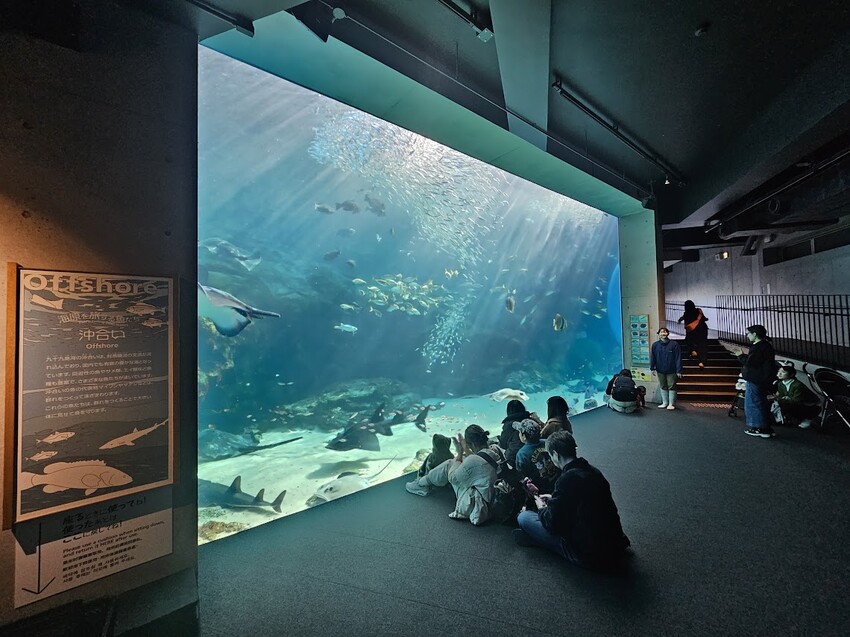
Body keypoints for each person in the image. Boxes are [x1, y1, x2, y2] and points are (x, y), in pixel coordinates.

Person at [513, 431, 630, 570]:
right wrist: (553, 499)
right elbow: (583, 501)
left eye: (550, 455)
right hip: (614, 542)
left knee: (524, 517)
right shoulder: (593, 471)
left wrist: (542, 508)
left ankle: (537, 539)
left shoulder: (566, 480)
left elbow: (553, 524)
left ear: (556, 454)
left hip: (588, 553)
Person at [405, 424, 500, 525]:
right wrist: (465, 449)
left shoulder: (473, 460)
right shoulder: (494, 450)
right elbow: (478, 458)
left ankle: (421, 484)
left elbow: (453, 478)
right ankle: (423, 482)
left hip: (480, 507)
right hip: (492, 499)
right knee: (457, 462)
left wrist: (459, 453)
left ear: (470, 443)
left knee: (450, 464)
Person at [729, 325, 777, 438]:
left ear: (755, 334)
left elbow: (752, 363)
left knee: (753, 403)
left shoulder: (758, 347)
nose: (747, 335)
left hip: (755, 379)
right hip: (763, 379)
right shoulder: (766, 346)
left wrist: (740, 356)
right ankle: (766, 428)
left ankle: (758, 427)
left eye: (748, 333)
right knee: (761, 403)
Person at [766, 361, 820, 429]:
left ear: (791, 375)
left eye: (783, 372)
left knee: (789, 405)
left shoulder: (797, 385)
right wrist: (776, 397)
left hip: (810, 405)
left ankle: (805, 418)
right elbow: (782, 396)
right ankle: (791, 419)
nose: (779, 374)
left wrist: (778, 399)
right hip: (793, 402)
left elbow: (797, 400)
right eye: (779, 371)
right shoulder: (780, 383)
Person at [513, 419, 559, 494]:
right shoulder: (548, 441)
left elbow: (522, 475)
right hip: (558, 481)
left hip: (541, 490)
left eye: (519, 432)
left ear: (524, 436)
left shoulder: (522, 454)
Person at [499, 400, 543, 468]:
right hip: (538, 451)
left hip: (514, 457)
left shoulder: (509, 425)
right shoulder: (530, 421)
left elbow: (503, 444)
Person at [650, 327, 683, 409]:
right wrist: (652, 368)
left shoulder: (674, 344)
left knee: (672, 386)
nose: (663, 334)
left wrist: (679, 370)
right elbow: (652, 357)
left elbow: (678, 358)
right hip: (660, 369)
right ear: (658, 334)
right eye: (661, 332)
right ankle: (665, 402)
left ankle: (671, 404)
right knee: (663, 385)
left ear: (668, 333)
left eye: (665, 332)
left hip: (672, 370)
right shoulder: (655, 345)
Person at [678, 300, 709, 367]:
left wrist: (679, 320)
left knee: (689, 341)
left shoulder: (686, 313)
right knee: (702, 344)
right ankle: (701, 361)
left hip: (692, 331)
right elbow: (704, 319)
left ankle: (693, 351)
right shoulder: (699, 311)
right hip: (702, 330)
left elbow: (684, 319)